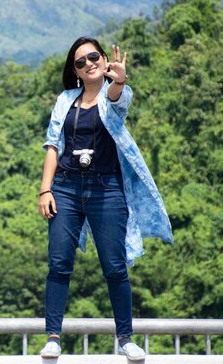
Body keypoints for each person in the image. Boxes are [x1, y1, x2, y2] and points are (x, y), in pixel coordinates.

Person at [37, 37, 174, 360]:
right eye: (80, 62)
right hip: (66, 188)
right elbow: (53, 144)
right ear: (75, 71)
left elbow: (116, 99)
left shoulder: (117, 93)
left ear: (103, 59)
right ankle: (53, 336)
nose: (89, 64)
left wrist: (121, 77)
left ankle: (125, 338)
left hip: (107, 189)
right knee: (59, 264)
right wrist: (45, 189)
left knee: (114, 267)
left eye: (93, 56)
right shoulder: (66, 99)